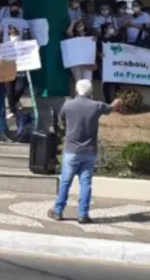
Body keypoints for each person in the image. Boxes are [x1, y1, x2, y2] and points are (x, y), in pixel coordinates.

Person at [49, 79, 122, 224]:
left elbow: (61, 119)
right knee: (86, 183)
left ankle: (58, 210)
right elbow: (111, 108)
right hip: (89, 150)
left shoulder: (68, 104)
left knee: (65, 181)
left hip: (71, 150)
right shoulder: (96, 106)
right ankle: (83, 214)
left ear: (77, 90)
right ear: (90, 92)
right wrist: (118, 101)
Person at [5, 26, 30, 117]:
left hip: (20, 70)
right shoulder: (6, 45)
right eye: (11, 34)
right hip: (8, 71)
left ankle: (14, 103)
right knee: (9, 92)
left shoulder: (23, 45)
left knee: (19, 88)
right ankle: (12, 109)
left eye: (15, 34)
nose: (13, 36)